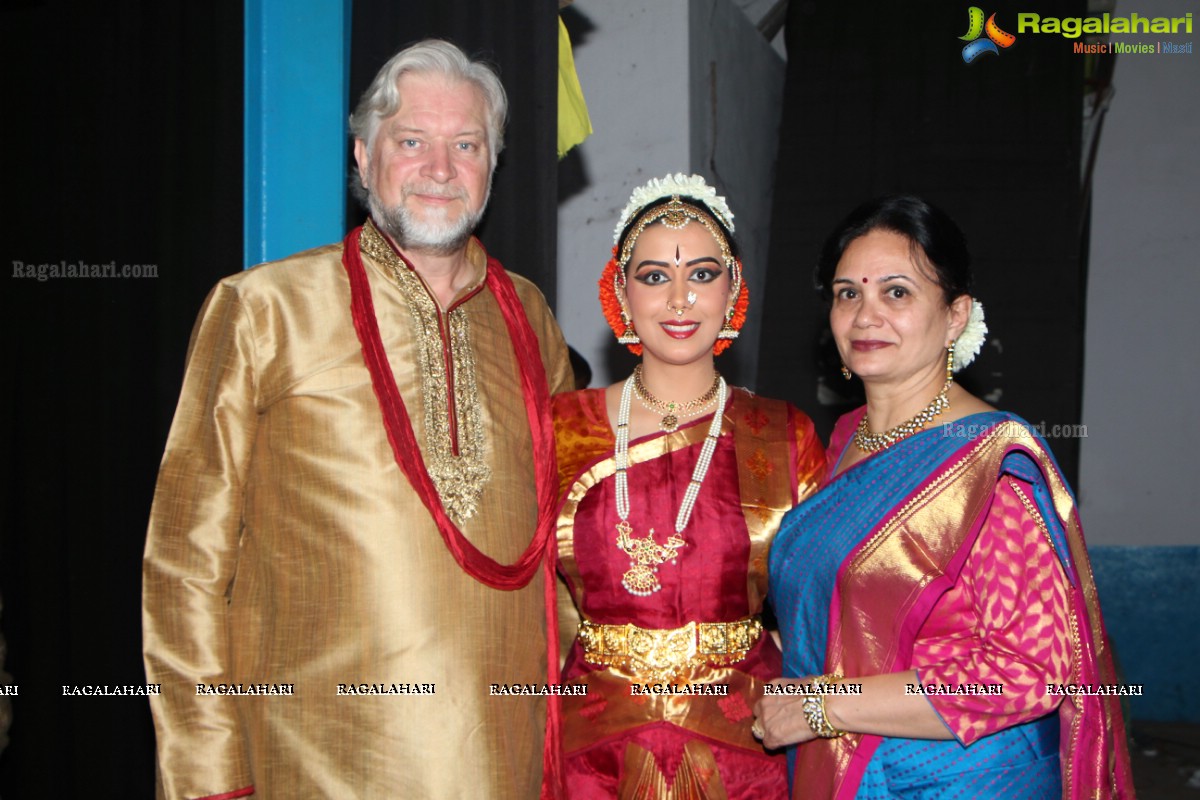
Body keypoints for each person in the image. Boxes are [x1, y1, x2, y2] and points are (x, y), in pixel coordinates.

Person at [142, 39, 572, 799]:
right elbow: (185, 565)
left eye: (465, 145)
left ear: (493, 165)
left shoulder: (531, 319)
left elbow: (570, 554)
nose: (440, 168)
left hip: (507, 765)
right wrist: (207, 775)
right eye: (412, 141)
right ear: (363, 154)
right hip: (315, 764)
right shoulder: (265, 309)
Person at [755, 195, 1135, 798]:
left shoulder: (988, 462)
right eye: (847, 292)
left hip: (954, 777)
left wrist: (827, 704)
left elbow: (1030, 671)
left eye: (897, 292)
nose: (864, 315)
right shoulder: (849, 439)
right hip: (841, 765)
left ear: (956, 315)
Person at [551, 174, 826, 798]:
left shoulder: (782, 435)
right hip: (589, 751)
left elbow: (823, 608)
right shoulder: (562, 429)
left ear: (733, 292)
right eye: (654, 277)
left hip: (747, 748)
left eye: (702, 275)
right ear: (620, 291)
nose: (679, 300)